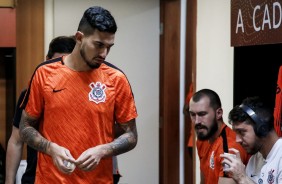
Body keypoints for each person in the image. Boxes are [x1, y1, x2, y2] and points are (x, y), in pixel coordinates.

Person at [19, 6, 138, 184]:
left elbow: (131, 136)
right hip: (50, 179)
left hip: (98, 180)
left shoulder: (116, 79)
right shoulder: (44, 73)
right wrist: (51, 148)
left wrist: (103, 150)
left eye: (109, 47)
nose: (104, 54)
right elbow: (25, 127)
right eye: (98, 45)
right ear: (79, 38)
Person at [5, 35, 76, 184]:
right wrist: (9, 181)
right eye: (56, 62)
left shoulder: (81, 96)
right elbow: (16, 141)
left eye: (65, 64)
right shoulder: (30, 93)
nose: (60, 68)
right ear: (46, 59)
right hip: (36, 176)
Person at [187, 89, 249, 184]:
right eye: (192, 115)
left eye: (202, 114)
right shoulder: (202, 139)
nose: (197, 121)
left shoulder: (229, 148)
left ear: (219, 113)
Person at [221, 96, 282, 184]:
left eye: (241, 132)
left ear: (262, 128)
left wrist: (242, 178)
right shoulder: (255, 159)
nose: (237, 140)